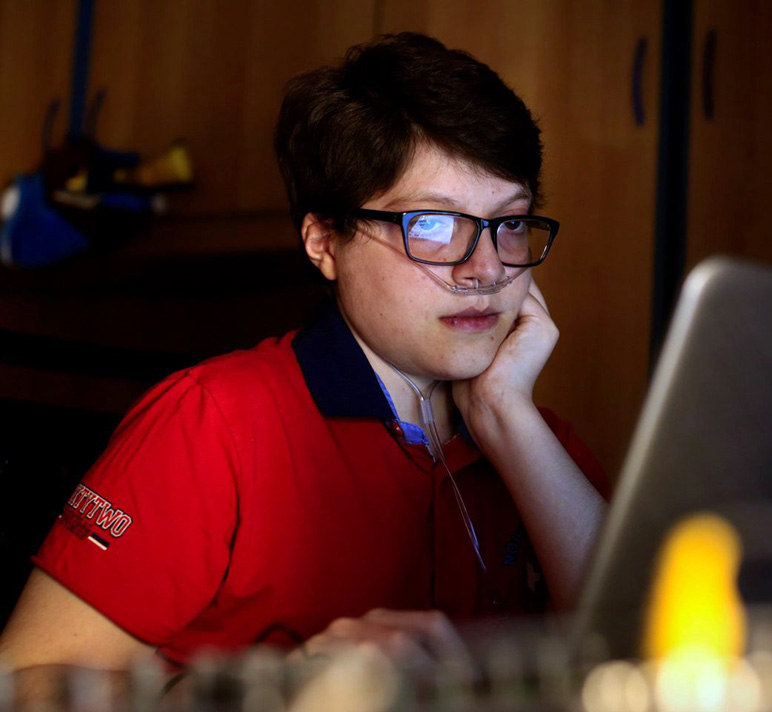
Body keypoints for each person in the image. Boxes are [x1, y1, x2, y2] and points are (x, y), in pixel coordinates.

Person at [0, 32, 607, 676]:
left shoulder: (538, 442)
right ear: (324, 242)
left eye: (508, 223)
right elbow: (26, 681)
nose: (485, 269)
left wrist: (508, 418)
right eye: (431, 224)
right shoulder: (212, 422)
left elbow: (651, 661)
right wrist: (288, 689)